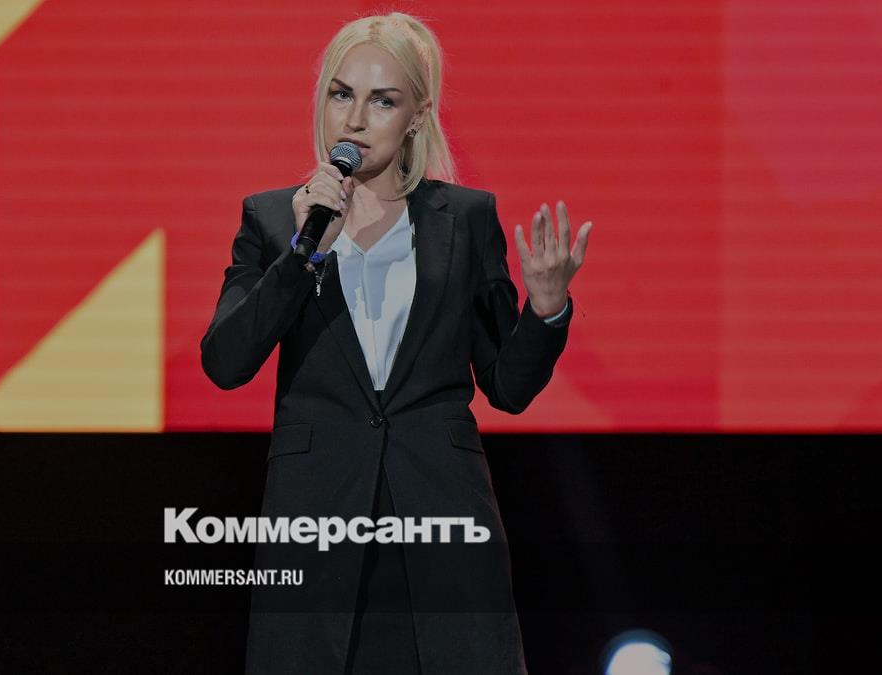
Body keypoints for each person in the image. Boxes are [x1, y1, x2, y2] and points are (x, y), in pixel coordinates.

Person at [200, 11, 591, 674]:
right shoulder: (272, 219)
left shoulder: (465, 219)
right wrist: (301, 257)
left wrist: (546, 310)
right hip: (318, 524)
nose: (354, 119)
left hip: (440, 521)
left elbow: (507, 386)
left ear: (417, 116)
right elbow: (225, 362)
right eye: (341, 93)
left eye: (382, 100)